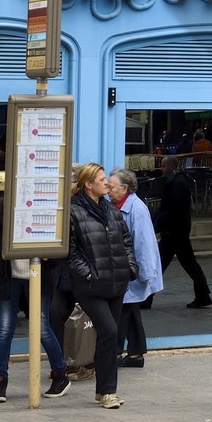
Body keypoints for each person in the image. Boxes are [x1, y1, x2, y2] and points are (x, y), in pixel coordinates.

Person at [67, 163, 138, 409]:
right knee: (108, 331)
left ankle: (103, 391)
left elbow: (126, 240)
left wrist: (129, 267)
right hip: (91, 286)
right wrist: (88, 274)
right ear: (88, 184)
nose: (106, 183)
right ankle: (108, 392)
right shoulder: (74, 212)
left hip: (116, 282)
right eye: (100, 179)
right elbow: (71, 252)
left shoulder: (111, 210)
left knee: (111, 335)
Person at [0, 199, 70, 403]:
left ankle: (60, 374)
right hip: (9, 276)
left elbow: (59, 241)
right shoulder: (7, 204)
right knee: (5, 329)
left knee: (41, 328)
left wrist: (50, 258)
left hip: (39, 276)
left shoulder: (47, 204)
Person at [108, 168, 164, 368]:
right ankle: (136, 353)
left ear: (124, 188)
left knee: (122, 310)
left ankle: (113, 354)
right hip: (125, 268)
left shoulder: (136, 209)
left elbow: (144, 242)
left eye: (111, 186)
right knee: (130, 309)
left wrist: (146, 273)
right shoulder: (117, 205)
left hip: (131, 269)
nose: (107, 189)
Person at [155, 155, 212, 308]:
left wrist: (159, 225)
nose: (161, 169)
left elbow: (174, 210)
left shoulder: (177, 184)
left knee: (161, 264)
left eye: (164, 166)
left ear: (171, 167)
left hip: (174, 232)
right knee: (187, 264)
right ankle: (203, 295)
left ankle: (146, 298)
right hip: (177, 232)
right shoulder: (177, 182)